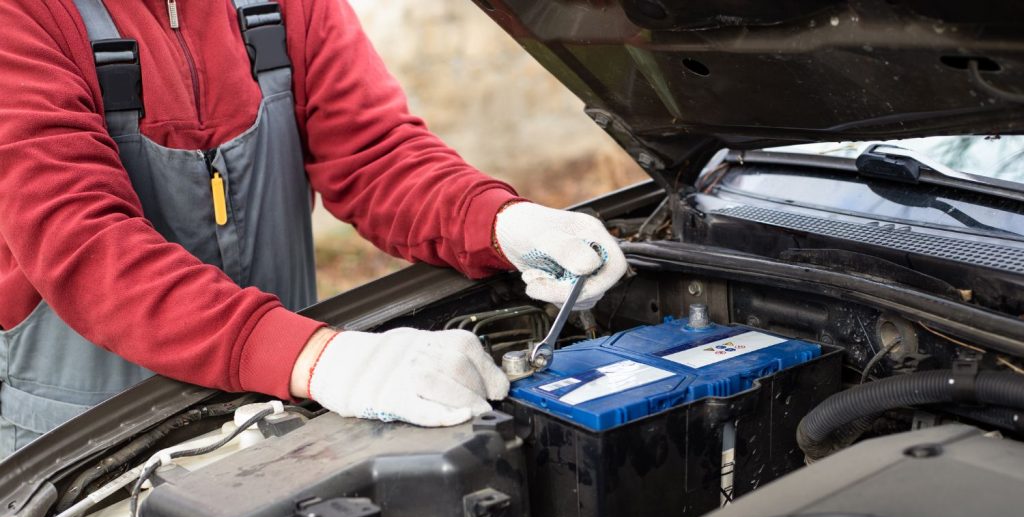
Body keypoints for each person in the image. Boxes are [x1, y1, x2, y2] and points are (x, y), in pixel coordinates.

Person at [0, 0, 626, 457]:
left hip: (282, 404)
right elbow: (84, 242)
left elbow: (374, 154)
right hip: (83, 448)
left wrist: (498, 222)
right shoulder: (22, 17)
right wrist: (320, 358)